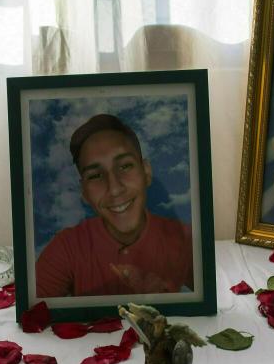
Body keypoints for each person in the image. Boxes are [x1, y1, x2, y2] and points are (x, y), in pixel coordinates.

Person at [36, 114, 193, 297]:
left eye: (125, 166)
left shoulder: (185, 239)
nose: (114, 189)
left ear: (146, 172)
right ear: (84, 192)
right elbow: (32, 312)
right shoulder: (66, 248)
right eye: (95, 176)